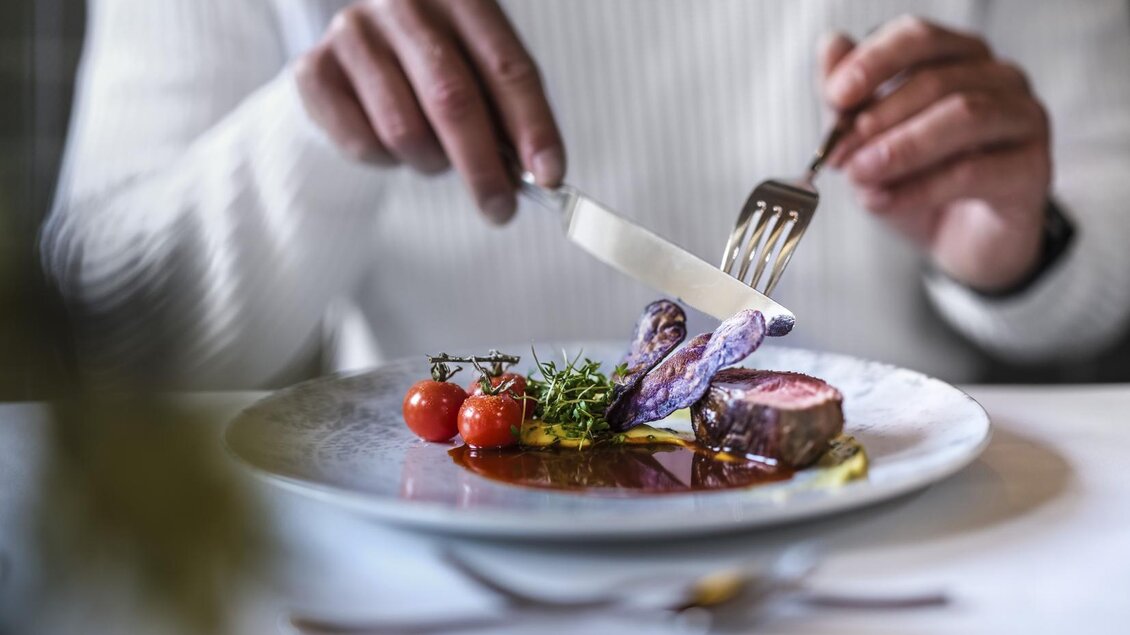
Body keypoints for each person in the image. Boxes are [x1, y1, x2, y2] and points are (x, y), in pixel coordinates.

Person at [42, 0, 1130, 388]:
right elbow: (107, 337)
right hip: (428, 533)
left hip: (904, 522)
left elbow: (1106, 261)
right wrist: (309, 130)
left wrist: (1025, 250)